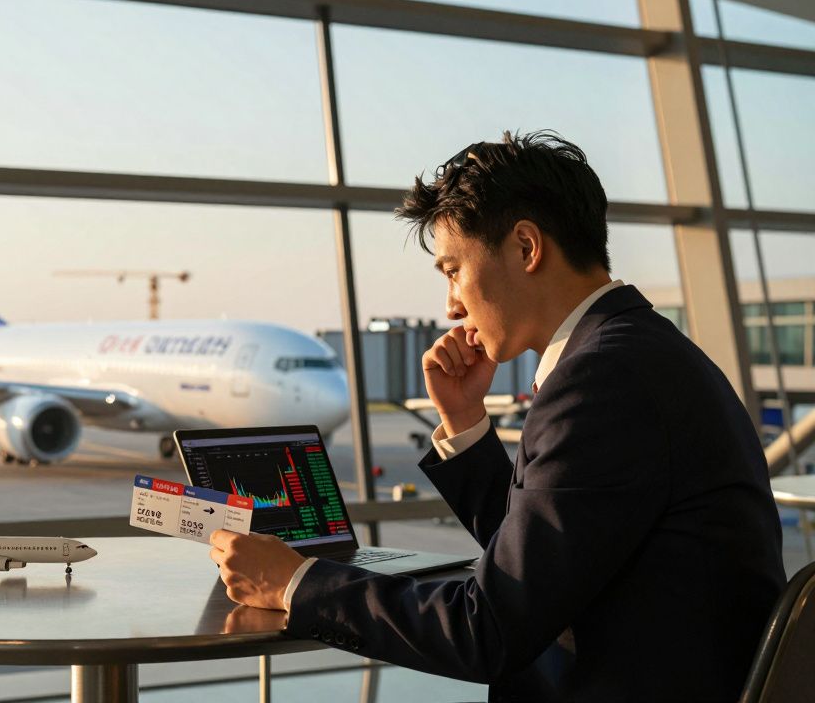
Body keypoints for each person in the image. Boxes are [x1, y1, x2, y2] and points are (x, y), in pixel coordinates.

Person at [209, 131, 786, 701]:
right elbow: (543, 561)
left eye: (453, 270)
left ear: (527, 247)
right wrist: (464, 422)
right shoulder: (640, 351)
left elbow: (486, 630)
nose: (451, 306)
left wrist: (296, 583)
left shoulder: (601, 380)